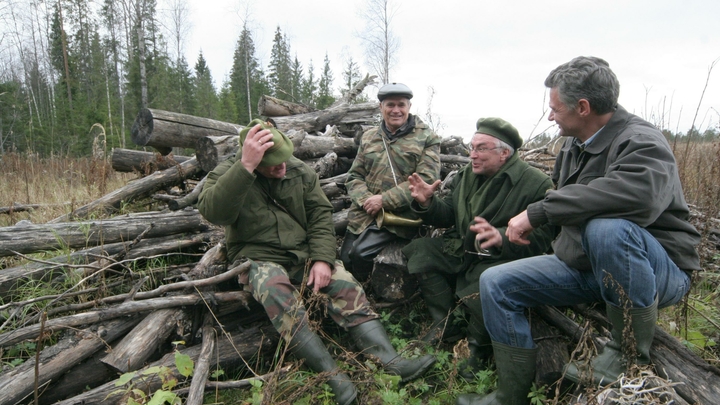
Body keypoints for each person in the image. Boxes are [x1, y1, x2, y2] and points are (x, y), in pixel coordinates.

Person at [457, 56, 701, 405]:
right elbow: (571, 202)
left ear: (583, 107)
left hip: (656, 271)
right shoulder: (573, 144)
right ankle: (509, 396)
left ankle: (627, 353)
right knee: (495, 282)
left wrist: (538, 212)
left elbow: (640, 199)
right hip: (587, 264)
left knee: (607, 229)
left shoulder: (642, 140)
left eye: (555, 108)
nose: (551, 115)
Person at [197, 119, 436, 405]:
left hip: (303, 252)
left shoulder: (299, 171)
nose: (282, 166)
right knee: (276, 292)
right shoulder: (228, 174)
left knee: (345, 284)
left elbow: (321, 216)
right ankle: (332, 374)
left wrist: (323, 259)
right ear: (253, 158)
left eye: (284, 158)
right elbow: (215, 212)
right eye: (272, 163)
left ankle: (390, 359)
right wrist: (244, 169)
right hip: (258, 256)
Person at [401, 117, 555, 380]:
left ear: (504, 153)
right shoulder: (467, 175)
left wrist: (503, 237)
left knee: (487, 284)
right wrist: (428, 204)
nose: (472, 155)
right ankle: (445, 324)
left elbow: (544, 236)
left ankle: (478, 351)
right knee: (421, 250)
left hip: (502, 257)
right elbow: (449, 213)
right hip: (461, 248)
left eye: (481, 148)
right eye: (472, 147)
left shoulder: (536, 184)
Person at [340, 82, 442, 281]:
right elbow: (354, 176)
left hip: (401, 216)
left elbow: (425, 180)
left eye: (401, 105)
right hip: (364, 214)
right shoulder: (369, 137)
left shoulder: (427, 138)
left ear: (409, 107)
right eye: (390, 105)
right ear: (381, 107)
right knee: (344, 258)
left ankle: (366, 294)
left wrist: (383, 200)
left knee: (359, 254)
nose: (396, 110)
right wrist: (366, 199)